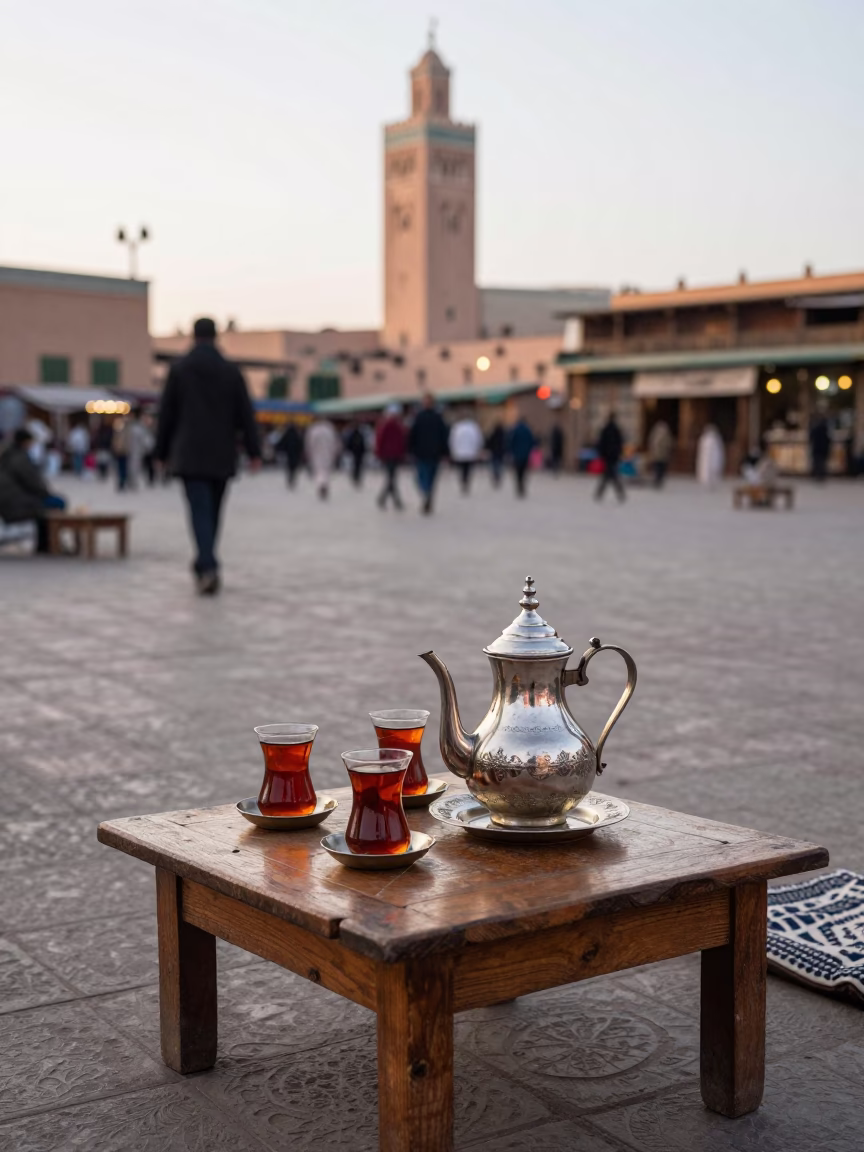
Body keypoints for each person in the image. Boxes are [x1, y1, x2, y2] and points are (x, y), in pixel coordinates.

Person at [155, 316, 261, 594]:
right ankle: (207, 561)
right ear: (216, 337)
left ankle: (206, 563)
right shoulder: (230, 371)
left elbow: (167, 414)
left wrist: (161, 452)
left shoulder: (180, 370)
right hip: (221, 453)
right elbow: (246, 415)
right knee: (214, 512)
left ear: (193, 336)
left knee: (199, 510)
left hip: (189, 453)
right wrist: (254, 451)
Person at [0, 429, 66, 552]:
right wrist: (46, 494)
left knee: (47, 504)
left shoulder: (9, 456)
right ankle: (50, 542)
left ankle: (47, 542)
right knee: (57, 503)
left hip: (11, 499)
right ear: (26, 442)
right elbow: (33, 482)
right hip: (16, 502)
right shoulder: (19, 458)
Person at [408, 394, 449, 514]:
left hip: (432, 453)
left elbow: (443, 436)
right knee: (424, 477)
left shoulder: (433, 418)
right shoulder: (423, 417)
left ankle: (427, 495)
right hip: (423, 453)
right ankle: (427, 494)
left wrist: (444, 452)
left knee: (428, 477)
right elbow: (412, 436)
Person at [375, 404, 407, 510]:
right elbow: (381, 440)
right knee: (391, 478)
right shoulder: (391, 425)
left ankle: (385, 499)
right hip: (390, 455)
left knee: (391, 478)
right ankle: (393, 500)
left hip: (392, 455)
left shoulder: (394, 425)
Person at [448, 409, 484, 494]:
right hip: (470, 452)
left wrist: (453, 450)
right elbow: (478, 439)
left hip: (460, 452)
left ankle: (463, 481)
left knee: (461, 469)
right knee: (468, 469)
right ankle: (466, 481)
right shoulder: (473, 427)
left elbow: (452, 440)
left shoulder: (457, 427)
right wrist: (478, 449)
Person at [306, 417, 340, 500]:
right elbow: (335, 442)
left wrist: (308, 453)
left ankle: (321, 484)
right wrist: (335, 452)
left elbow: (309, 443)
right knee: (326, 471)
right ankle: (324, 484)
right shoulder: (329, 429)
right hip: (328, 453)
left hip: (316, 453)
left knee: (319, 471)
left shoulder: (313, 429)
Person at [594, 413, 626, 502]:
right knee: (611, 476)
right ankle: (620, 493)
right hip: (613, 457)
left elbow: (600, 444)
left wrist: (601, 455)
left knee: (609, 476)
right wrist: (619, 454)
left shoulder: (605, 430)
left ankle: (600, 493)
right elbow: (620, 444)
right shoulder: (616, 430)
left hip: (607, 457)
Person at [508, 417, 536, 498]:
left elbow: (511, 441)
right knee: (524, 471)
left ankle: (519, 484)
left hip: (517, 454)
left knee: (518, 471)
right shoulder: (528, 430)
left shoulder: (515, 430)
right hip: (526, 454)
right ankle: (522, 484)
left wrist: (511, 451)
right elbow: (532, 441)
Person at [125, 410, 152, 489]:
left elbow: (146, 440)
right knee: (133, 467)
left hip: (135, 451)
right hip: (133, 451)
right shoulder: (136, 427)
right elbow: (146, 441)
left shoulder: (136, 427)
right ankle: (132, 482)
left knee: (133, 467)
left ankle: (132, 482)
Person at [277, 421, 305, 488]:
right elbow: (300, 445)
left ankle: (290, 479)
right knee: (294, 468)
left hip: (288, 454)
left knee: (289, 468)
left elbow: (281, 444)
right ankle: (292, 479)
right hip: (295, 455)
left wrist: (281, 450)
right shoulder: (297, 435)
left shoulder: (286, 434)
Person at [696, 423, 725, 488]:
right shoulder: (704, 439)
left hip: (713, 458)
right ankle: (706, 482)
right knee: (706, 471)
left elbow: (718, 451)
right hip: (706, 459)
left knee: (713, 471)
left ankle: (712, 483)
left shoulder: (716, 439)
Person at [647, 419, 673, 488]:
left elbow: (651, 443)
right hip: (662, 455)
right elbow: (669, 444)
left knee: (658, 468)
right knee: (660, 468)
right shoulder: (666, 434)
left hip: (657, 455)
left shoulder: (655, 433)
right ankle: (658, 480)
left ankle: (657, 480)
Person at [344, 423, 367, 488]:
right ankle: (357, 477)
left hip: (355, 453)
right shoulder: (360, 435)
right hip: (358, 453)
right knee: (358, 466)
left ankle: (356, 477)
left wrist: (348, 450)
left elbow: (349, 443)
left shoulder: (353, 435)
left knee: (355, 466)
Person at [809, 414, 831, 481]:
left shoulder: (816, 429)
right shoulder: (825, 430)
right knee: (822, 463)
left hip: (817, 448)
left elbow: (811, 437)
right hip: (823, 449)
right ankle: (821, 475)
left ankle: (818, 475)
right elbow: (828, 440)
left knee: (818, 462)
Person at [111, 417, 130, 491]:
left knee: (123, 468)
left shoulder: (126, 432)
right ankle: (121, 482)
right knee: (119, 468)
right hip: (119, 452)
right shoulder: (118, 432)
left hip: (124, 452)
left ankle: (123, 482)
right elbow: (115, 442)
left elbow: (127, 443)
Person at [486, 423, 506, 487]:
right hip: (500, 453)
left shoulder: (493, 434)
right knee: (499, 466)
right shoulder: (503, 435)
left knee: (494, 466)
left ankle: (495, 476)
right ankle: (498, 476)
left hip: (494, 453)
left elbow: (489, 443)